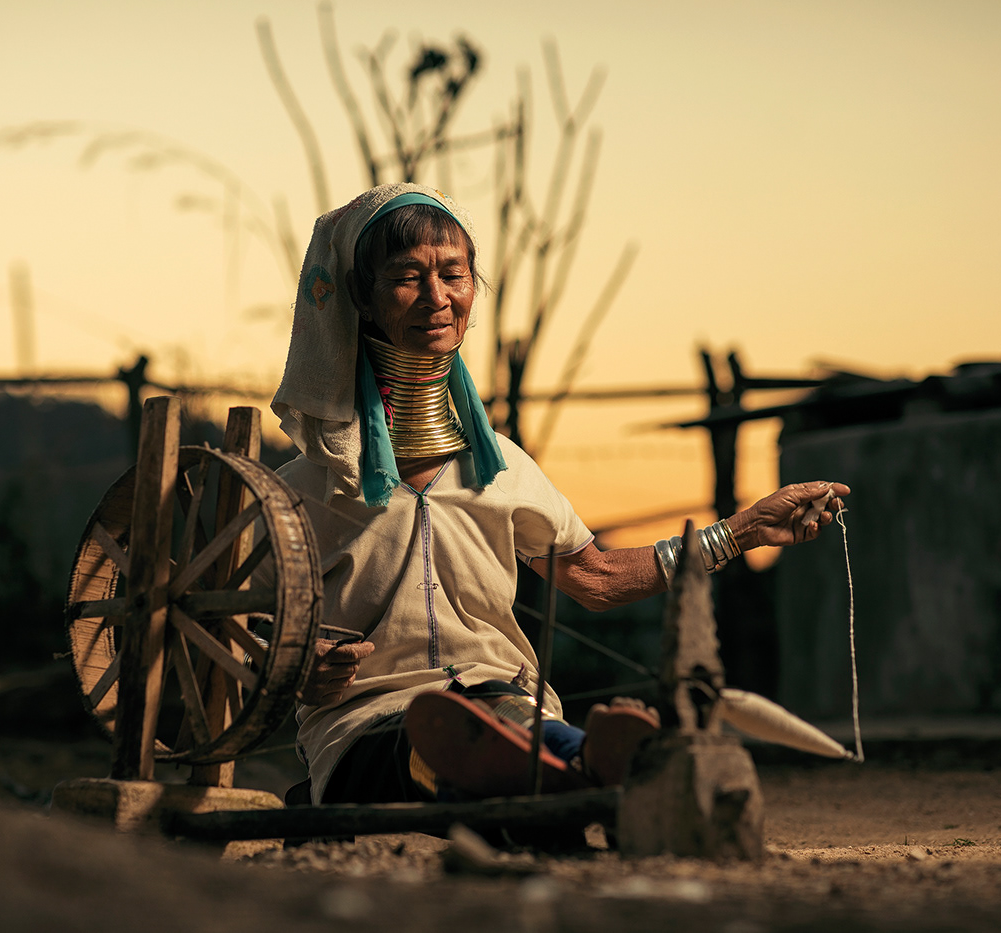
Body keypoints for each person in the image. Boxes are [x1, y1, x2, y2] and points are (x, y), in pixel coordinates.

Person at [270, 183, 848, 805]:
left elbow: (595, 578)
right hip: (366, 726)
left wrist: (742, 531)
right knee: (431, 744)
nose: (437, 298)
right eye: (408, 277)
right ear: (361, 295)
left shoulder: (504, 470)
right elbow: (239, 635)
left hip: (503, 697)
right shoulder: (299, 492)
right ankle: (571, 766)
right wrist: (298, 665)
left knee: (515, 729)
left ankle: (576, 759)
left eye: (453, 275)